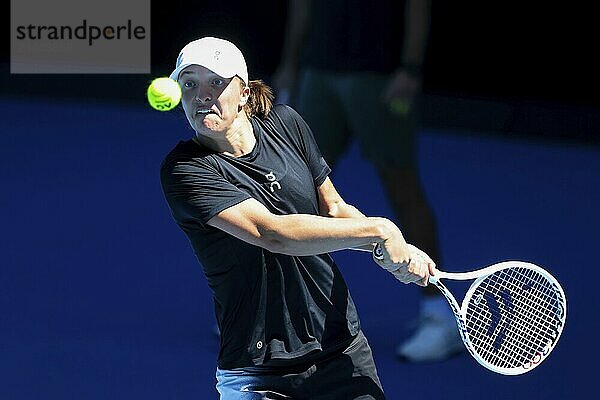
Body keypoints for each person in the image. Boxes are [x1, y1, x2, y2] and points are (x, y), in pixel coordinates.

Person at [160, 36, 436, 399]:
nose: (202, 96)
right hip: (258, 374)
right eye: (190, 83)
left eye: (216, 82)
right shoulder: (185, 170)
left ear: (244, 93)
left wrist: (388, 247)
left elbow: (333, 209)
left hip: (341, 351)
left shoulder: (287, 122)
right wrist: (380, 230)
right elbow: (272, 233)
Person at [272, 0, 463, 363]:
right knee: (295, 190)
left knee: (403, 189)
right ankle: (274, 310)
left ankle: (439, 314)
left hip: (380, 77)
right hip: (319, 73)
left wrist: (409, 68)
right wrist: (291, 65)